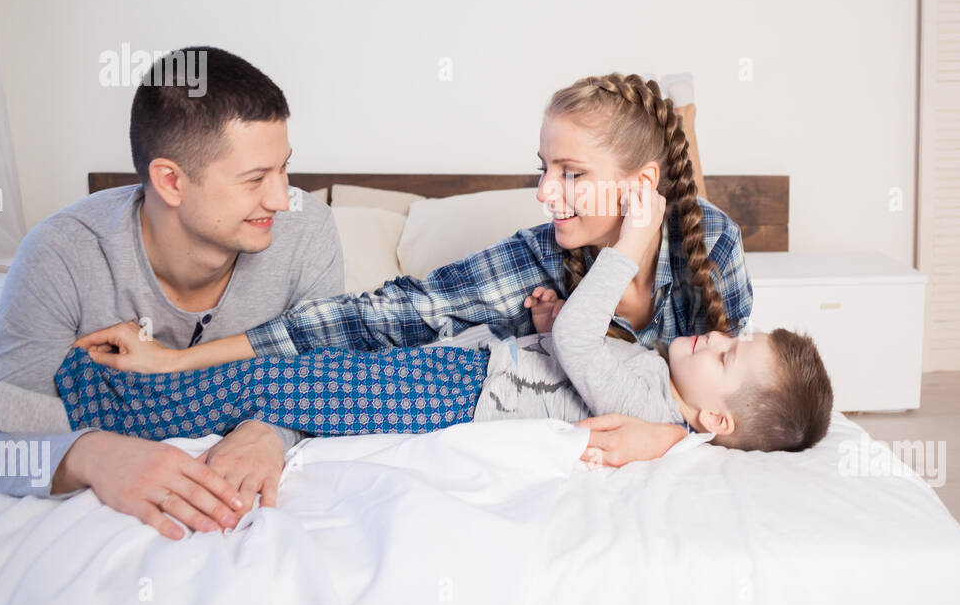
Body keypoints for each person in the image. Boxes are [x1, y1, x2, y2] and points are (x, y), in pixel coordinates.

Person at [0, 187, 833, 458]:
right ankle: (90, 398)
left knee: (274, 389)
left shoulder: (662, 407)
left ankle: (80, 410)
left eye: (727, 354)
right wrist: (553, 323)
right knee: (278, 383)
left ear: (716, 418)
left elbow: (589, 355)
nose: (715, 336)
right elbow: (583, 359)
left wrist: (627, 254)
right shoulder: (665, 398)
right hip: (456, 374)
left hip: (450, 394)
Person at [79, 73, 755, 392]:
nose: (544, 193)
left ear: (641, 184)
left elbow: (735, 396)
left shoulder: (714, 246)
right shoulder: (539, 259)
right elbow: (380, 317)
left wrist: (663, 438)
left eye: (572, 174)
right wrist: (178, 360)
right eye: (544, 168)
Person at [0, 47, 344, 541]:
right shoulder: (62, 254)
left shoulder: (309, 232)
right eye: (255, 179)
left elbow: (328, 377)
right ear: (170, 181)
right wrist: (91, 454)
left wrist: (270, 431)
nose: (281, 198)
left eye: (284, 168)